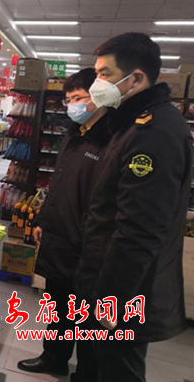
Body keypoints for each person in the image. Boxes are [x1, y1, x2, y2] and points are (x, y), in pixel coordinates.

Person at [74, 32, 193, 382]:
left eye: (105, 74)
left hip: (126, 293)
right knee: (96, 366)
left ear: (136, 79)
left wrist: (110, 300)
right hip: (107, 280)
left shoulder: (153, 133)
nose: (96, 84)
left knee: (118, 370)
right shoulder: (132, 123)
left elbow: (139, 229)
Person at [17, 68, 109, 382]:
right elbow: (57, 184)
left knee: (87, 316)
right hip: (59, 236)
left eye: (79, 98)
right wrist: (43, 219)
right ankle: (53, 358)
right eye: (69, 99)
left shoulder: (111, 140)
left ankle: (87, 375)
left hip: (87, 244)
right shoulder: (73, 135)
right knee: (58, 306)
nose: (73, 105)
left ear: (99, 96)